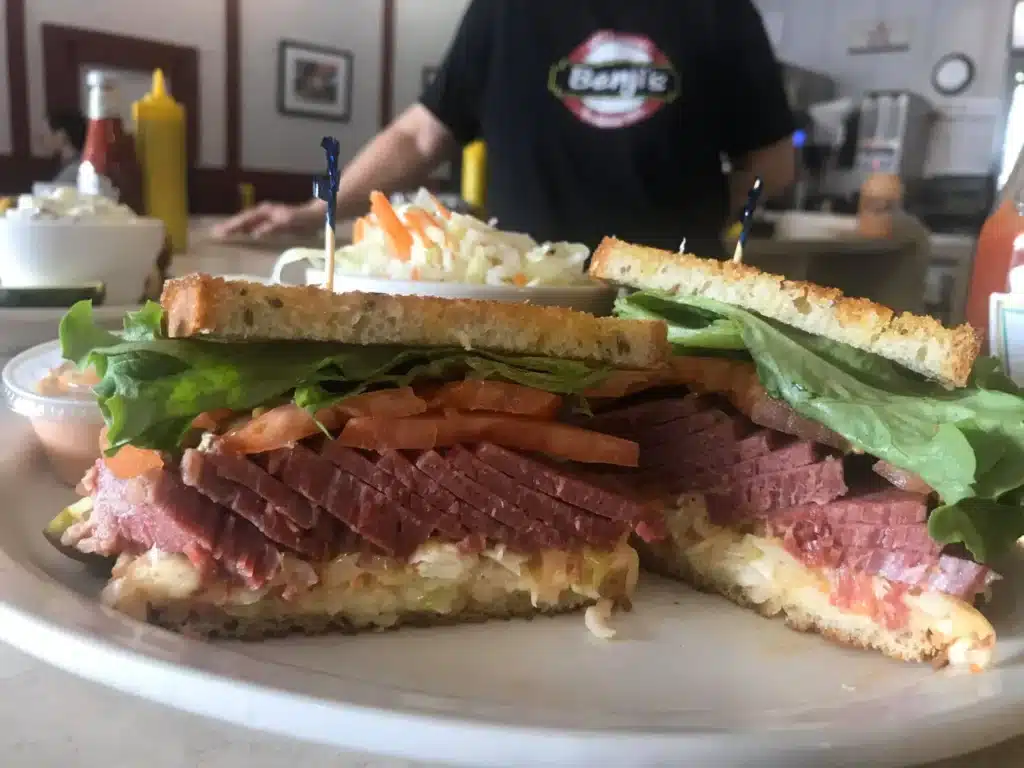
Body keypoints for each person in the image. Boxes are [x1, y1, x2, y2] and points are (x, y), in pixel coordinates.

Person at [216, 0, 795, 258]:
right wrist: (314, 210)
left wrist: (700, 222)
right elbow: (421, 135)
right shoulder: (506, 8)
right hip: (524, 299)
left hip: (677, 303)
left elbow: (773, 165)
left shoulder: (721, 9)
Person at [42, 111, 87, 185]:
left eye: (45, 134)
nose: (42, 139)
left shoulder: (75, 169)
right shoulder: (67, 164)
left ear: (61, 136)